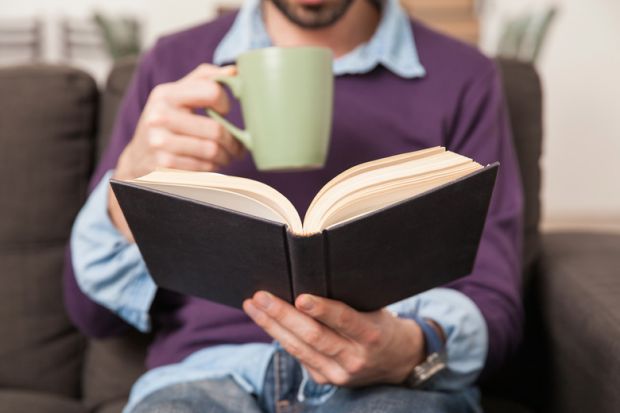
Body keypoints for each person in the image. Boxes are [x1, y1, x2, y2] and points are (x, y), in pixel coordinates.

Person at [64, 0, 524, 411]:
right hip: (203, 374)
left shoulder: (464, 75)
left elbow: (495, 304)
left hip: (392, 385)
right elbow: (93, 317)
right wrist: (129, 188)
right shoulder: (172, 63)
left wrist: (411, 350)